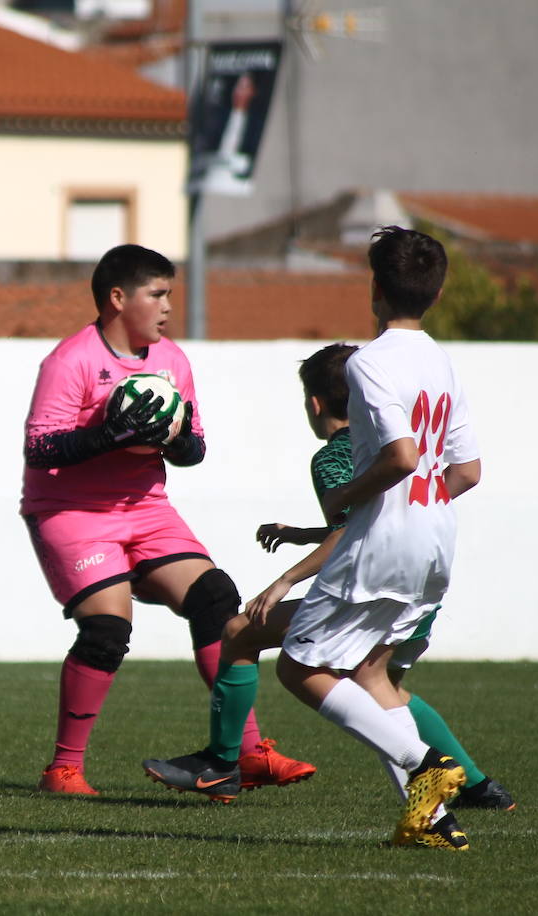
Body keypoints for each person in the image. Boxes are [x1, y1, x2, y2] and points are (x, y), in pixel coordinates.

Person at [142, 343, 514, 813]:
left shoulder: (337, 454)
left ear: (314, 403)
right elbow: (381, 514)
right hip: (425, 573)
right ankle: (477, 789)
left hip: (374, 583)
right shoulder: (391, 437)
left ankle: (221, 764)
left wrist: (285, 579)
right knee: (383, 685)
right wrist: (304, 534)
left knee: (240, 633)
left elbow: (348, 529)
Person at [21, 243, 315, 797]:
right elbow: (40, 449)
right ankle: (62, 771)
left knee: (216, 598)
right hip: (71, 512)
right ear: (117, 298)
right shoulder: (70, 360)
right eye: (156, 294)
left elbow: (194, 449)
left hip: (145, 508)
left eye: (169, 295)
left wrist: (174, 438)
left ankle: (247, 753)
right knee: (109, 630)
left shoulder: (173, 361)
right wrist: (108, 435)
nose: (166, 307)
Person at [273, 226, 481, 851]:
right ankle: (431, 823)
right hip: (436, 537)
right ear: (437, 291)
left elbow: (399, 455)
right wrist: (421, 501)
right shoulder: (442, 363)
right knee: (369, 669)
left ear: (374, 290)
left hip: (381, 539)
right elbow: (466, 471)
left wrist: (342, 497)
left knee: (298, 666)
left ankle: (423, 761)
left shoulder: (369, 362)